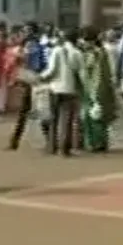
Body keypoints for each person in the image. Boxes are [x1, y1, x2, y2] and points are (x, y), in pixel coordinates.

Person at [39, 29, 83, 157]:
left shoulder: (57, 51)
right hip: (70, 90)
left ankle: (51, 146)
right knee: (66, 120)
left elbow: (51, 70)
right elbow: (81, 73)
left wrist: (41, 77)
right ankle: (64, 149)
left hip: (55, 89)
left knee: (53, 118)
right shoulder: (77, 53)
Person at [80, 28, 118, 153]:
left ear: (92, 41)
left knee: (97, 116)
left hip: (97, 89)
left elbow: (100, 74)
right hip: (89, 88)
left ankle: (98, 143)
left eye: (86, 40)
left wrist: (96, 91)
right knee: (90, 117)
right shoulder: (89, 53)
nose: (84, 43)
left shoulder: (99, 54)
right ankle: (93, 142)